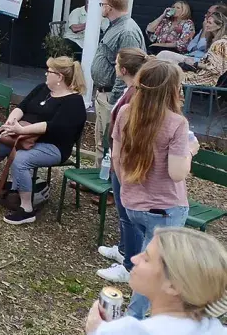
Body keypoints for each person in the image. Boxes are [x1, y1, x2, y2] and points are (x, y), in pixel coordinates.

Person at [0, 56, 87, 225]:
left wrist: (22, 130)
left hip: (53, 146)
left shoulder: (74, 102)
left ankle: (27, 209)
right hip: (24, 137)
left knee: (21, 159)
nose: (45, 74)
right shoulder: (42, 89)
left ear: (59, 77)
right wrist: (10, 124)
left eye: (49, 71)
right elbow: (21, 107)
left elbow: (51, 126)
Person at [113, 59, 195, 318]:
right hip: (165, 209)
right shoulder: (177, 123)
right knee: (155, 269)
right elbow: (177, 173)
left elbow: (116, 158)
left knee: (147, 260)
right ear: (172, 89)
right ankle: (133, 320)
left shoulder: (125, 112)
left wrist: (127, 186)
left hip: (132, 203)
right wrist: (190, 151)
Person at [85, 228, 227, 335]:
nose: (134, 259)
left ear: (173, 285)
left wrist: (96, 329)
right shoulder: (215, 329)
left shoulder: (129, 331)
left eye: (146, 259)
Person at [95, 47, 148, 283]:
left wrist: (118, 159)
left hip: (125, 161)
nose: (114, 66)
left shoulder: (137, 93)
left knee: (128, 214)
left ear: (124, 69)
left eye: (117, 63)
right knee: (123, 212)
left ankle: (129, 267)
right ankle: (124, 249)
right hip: (119, 157)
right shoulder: (131, 89)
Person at [91, 0, 146, 154]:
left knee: (110, 147)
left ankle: (106, 173)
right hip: (103, 94)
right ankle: (98, 170)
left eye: (102, 4)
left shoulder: (127, 32)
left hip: (113, 97)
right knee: (101, 144)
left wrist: (114, 101)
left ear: (109, 7)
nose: (101, 7)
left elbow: (128, 70)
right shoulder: (115, 26)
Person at [158, 4, 227, 66]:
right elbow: (190, 46)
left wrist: (204, 30)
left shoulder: (221, 41)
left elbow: (201, 47)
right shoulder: (209, 32)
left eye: (209, 13)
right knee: (164, 59)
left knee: (164, 55)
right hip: (191, 56)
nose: (206, 15)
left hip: (198, 61)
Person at [182, 10, 227, 86]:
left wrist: (195, 63)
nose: (206, 25)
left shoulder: (219, 44)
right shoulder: (216, 41)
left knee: (173, 77)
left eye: (210, 23)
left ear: (219, 26)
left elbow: (216, 69)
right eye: (207, 22)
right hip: (203, 76)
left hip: (206, 80)